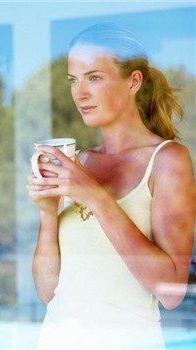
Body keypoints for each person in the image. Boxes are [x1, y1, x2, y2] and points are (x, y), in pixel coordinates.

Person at [27, 22, 196, 349]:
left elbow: (172, 291)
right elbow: (47, 292)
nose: (80, 93)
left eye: (94, 77)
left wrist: (93, 196)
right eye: (74, 80)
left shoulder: (167, 160)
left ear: (133, 81)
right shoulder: (78, 163)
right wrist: (48, 214)